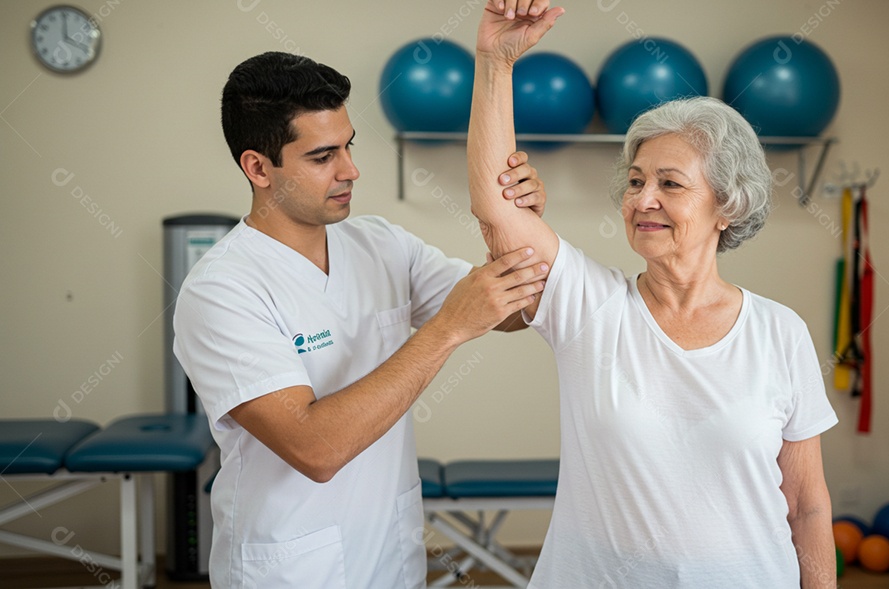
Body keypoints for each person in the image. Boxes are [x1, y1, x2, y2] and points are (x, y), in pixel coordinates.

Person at [468, 2, 838, 586]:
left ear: (727, 205)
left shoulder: (779, 331)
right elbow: (497, 209)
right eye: (636, 181)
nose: (644, 199)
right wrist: (496, 61)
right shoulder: (589, 306)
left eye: (671, 184)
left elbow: (808, 505)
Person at [173, 51, 550, 588]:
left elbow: (511, 311)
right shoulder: (222, 290)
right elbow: (316, 449)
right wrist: (446, 330)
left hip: (390, 557)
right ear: (258, 167)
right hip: (293, 569)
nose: (351, 170)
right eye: (323, 156)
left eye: (348, 146)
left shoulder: (380, 242)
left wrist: (520, 225)